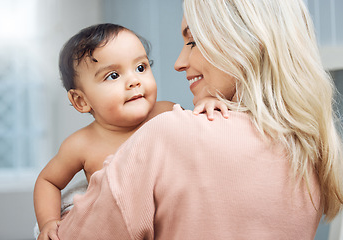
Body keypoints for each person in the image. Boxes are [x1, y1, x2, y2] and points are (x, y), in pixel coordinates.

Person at [58, 0, 343, 239]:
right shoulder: (310, 154)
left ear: (244, 42)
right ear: (79, 100)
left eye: (192, 41)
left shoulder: (168, 134)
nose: (179, 62)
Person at [33, 23, 227, 240]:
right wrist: (49, 222)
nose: (134, 81)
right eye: (113, 75)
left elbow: (201, 144)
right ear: (81, 100)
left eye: (141, 67)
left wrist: (208, 103)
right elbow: (48, 181)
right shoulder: (81, 144)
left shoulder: (167, 113)